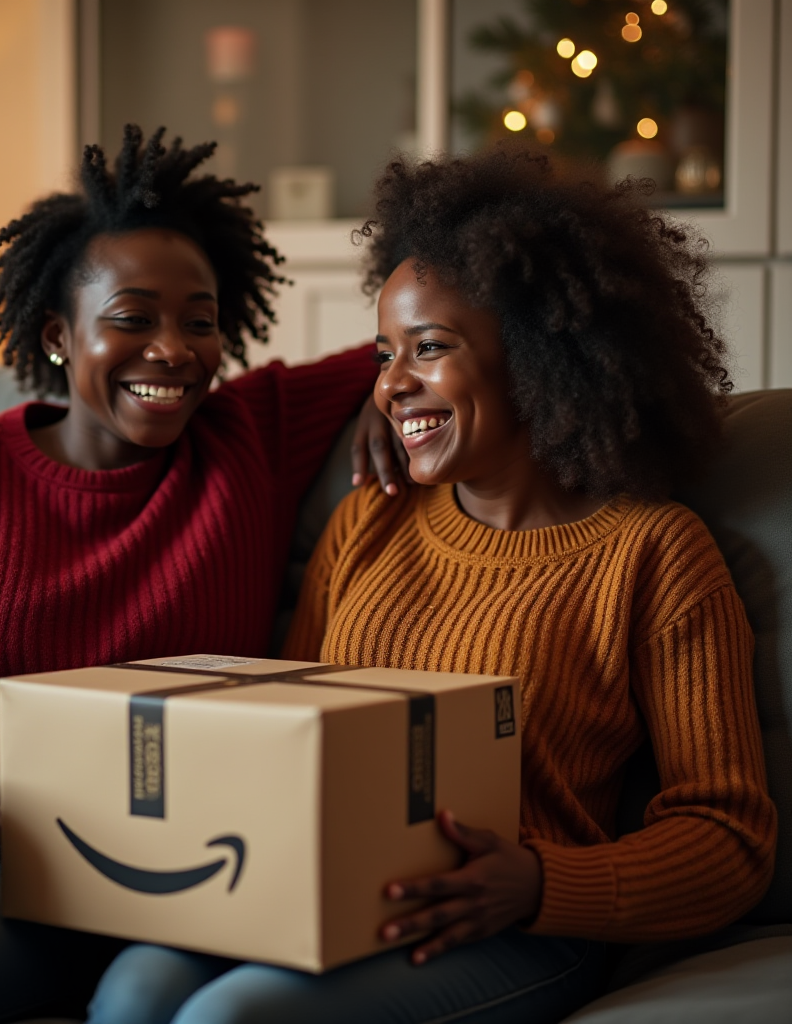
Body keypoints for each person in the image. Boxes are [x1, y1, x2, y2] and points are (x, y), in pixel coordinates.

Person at [85, 147, 778, 1024]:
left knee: (235, 1017)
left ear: (537, 360)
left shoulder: (652, 555)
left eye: (430, 348)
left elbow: (731, 838)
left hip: (516, 927)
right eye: (385, 352)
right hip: (325, 891)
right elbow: (287, 732)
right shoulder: (369, 521)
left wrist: (537, 882)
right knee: (135, 988)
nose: (392, 382)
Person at [0, 125, 401, 1024]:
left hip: (56, 871)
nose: (174, 350)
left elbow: (434, 328)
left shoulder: (246, 442)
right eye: (133, 318)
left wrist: (396, 391)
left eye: (200, 321)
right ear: (59, 336)